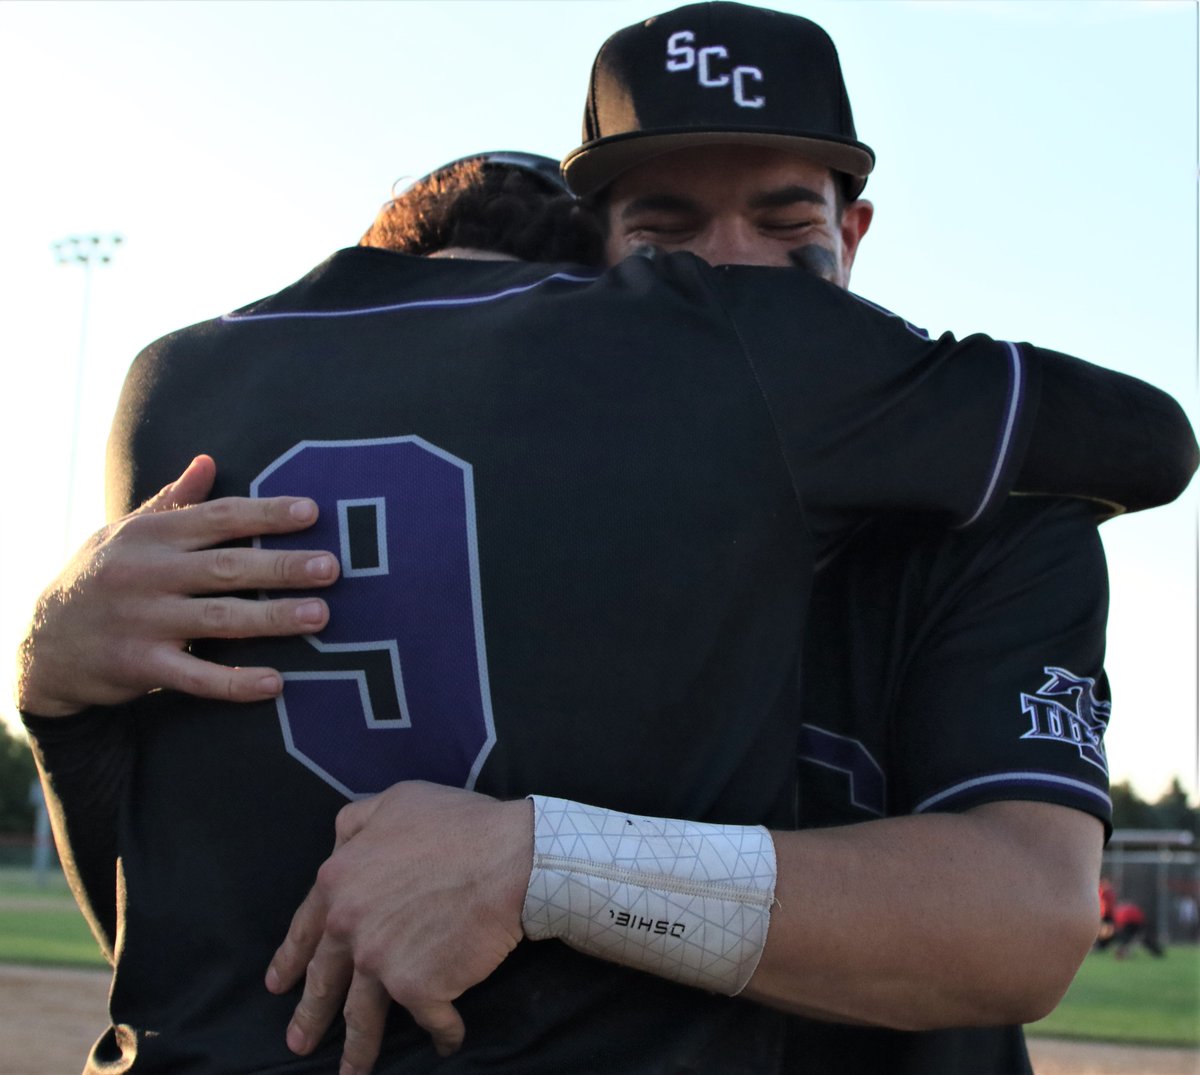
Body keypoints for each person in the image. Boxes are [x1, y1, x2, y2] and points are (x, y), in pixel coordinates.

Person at [17, 20, 1197, 1075]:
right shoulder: (484, 562)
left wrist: (554, 863)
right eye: (665, 235)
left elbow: (1022, 924)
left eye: (786, 226)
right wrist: (60, 691)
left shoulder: (997, 508)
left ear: (854, 232)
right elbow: (235, 946)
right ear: (581, 283)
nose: (733, 273)